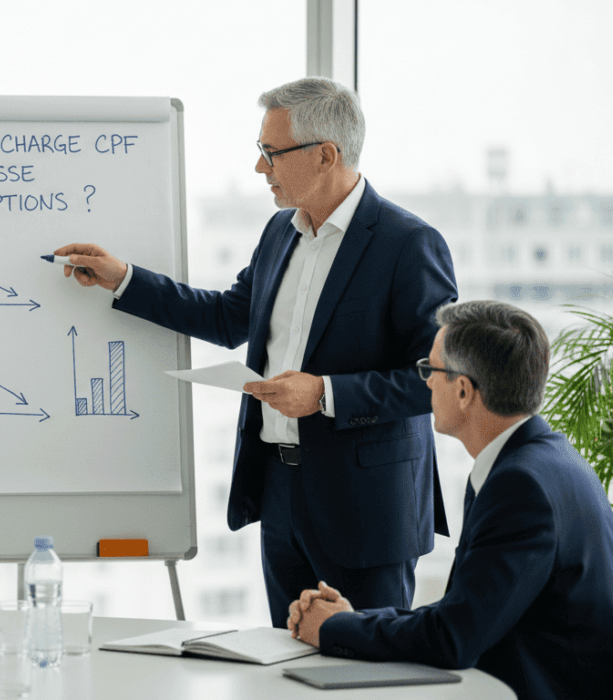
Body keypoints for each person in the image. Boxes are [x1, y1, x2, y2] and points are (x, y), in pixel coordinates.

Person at [56, 77, 458, 625]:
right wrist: (122, 279)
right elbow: (226, 317)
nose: (260, 169)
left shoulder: (407, 243)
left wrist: (323, 394)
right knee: (287, 663)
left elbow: (433, 377)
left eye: (271, 153)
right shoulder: (279, 232)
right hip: (282, 494)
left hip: (368, 508)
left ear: (325, 155)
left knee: (366, 673)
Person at [287, 300, 613, 699]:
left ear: (465, 390)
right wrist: (351, 618)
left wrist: (334, 628)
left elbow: (454, 638)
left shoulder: (520, 486)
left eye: (431, 370)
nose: (427, 382)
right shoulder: (541, 458)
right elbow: (462, 613)